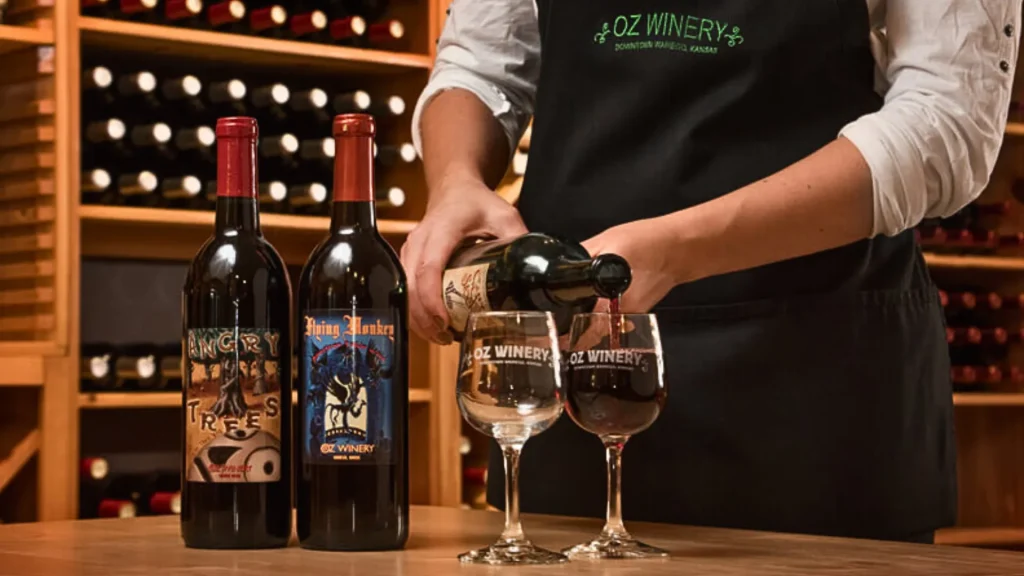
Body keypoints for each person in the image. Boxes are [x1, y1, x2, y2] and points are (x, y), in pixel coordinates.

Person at [403, 0, 1020, 543]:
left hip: (816, 403)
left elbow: (947, 123)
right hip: (572, 392)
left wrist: (676, 250)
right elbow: (480, 62)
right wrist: (456, 178)